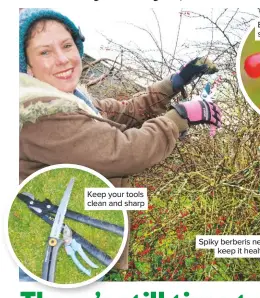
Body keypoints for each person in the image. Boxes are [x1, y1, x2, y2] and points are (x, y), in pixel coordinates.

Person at [19, 8, 222, 277]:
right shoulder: (38, 114)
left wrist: (175, 83)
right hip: (47, 256)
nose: (62, 59)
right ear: (27, 66)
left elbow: (125, 111)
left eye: (67, 45)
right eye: (45, 52)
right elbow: (124, 151)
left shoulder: (70, 100)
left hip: (76, 238)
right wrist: (180, 117)